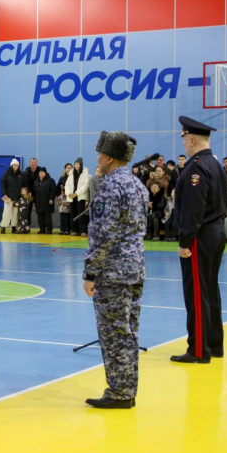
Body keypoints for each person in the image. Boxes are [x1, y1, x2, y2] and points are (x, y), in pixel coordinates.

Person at [82, 131, 148, 409]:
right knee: (129, 332)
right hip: (135, 269)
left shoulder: (110, 188)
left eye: (100, 154)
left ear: (109, 158)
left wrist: (90, 273)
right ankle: (126, 390)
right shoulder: (138, 185)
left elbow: (102, 235)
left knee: (113, 334)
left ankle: (120, 393)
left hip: (113, 273)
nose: (97, 159)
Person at [172, 116, 227, 363]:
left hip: (200, 237)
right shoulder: (215, 164)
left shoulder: (197, 167)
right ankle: (214, 345)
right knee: (210, 291)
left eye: (184, 139)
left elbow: (193, 209)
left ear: (192, 140)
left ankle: (198, 350)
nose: (183, 144)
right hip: (216, 232)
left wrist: (185, 241)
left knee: (196, 293)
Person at [66, 158, 91, 236]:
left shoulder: (85, 174)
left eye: (78, 164)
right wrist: (69, 193)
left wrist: (76, 193)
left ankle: (83, 231)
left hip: (80, 197)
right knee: (73, 214)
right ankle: (75, 230)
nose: (76, 166)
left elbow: (86, 186)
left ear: (81, 165)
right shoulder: (71, 174)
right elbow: (67, 185)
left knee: (81, 214)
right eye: (75, 164)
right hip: (72, 197)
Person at [0, 159, 23, 234]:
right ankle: (3, 227)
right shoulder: (6, 174)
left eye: (17, 165)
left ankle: (14, 227)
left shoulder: (20, 175)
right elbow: (2, 184)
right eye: (14, 165)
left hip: (17, 197)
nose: (15, 166)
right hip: (8, 198)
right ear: (11, 165)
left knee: (15, 214)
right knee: (6, 213)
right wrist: (4, 194)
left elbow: (23, 185)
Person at [32, 167, 57, 234]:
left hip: (47, 201)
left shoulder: (51, 180)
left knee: (47, 216)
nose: (41, 174)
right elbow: (34, 192)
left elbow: (53, 190)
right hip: (38, 202)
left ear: (45, 173)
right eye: (40, 172)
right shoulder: (36, 182)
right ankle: (42, 229)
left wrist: (51, 199)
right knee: (40, 216)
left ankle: (49, 229)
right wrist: (34, 201)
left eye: (42, 172)